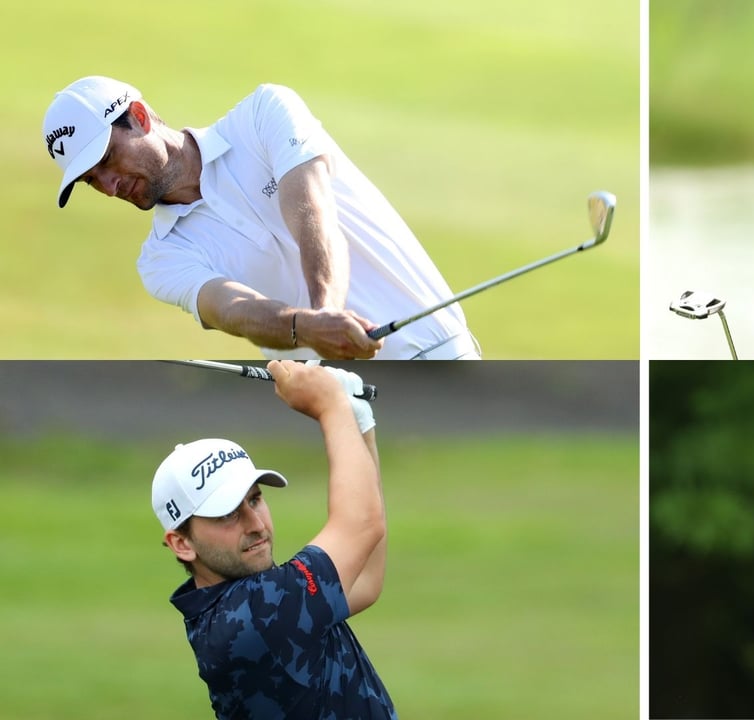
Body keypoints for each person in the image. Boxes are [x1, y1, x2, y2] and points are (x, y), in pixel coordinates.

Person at [43, 76, 479, 360]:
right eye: (90, 180)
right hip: (360, 416)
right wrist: (307, 327)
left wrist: (326, 309)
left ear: (138, 118)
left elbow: (312, 209)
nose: (108, 185)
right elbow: (233, 309)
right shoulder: (160, 259)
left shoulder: (264, 115)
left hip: (443, 352)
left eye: (107, 159)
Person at [152, 361, 395, 718]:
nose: (255, 524)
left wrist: (358, 426)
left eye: (255, 499)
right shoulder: (253, 616)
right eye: (227, 513)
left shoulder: (255, 600)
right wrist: (331, 408)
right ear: (182, 543)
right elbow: (361, 524)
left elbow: (366, 581)